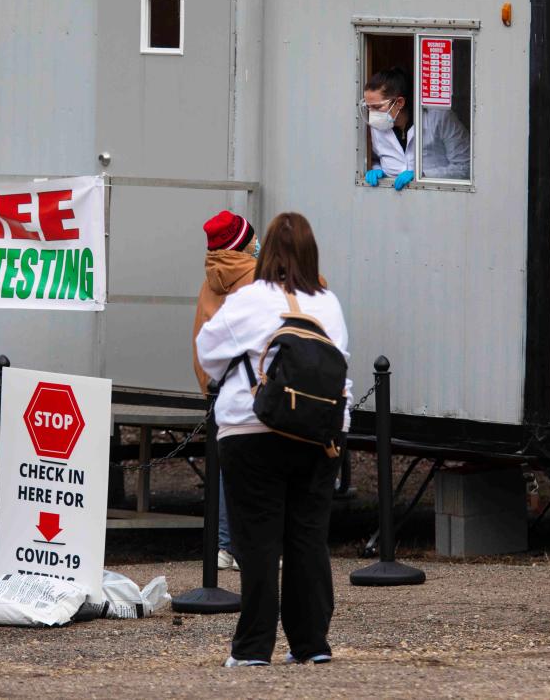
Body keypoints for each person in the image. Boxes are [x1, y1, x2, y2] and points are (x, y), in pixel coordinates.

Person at [195, 212, 352, 667]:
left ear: (265, 251)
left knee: (257, 542)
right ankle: (312, 645)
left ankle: (252, 649)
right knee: (308, 538)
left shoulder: (248, 299)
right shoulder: (329, 303)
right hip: (319, 436)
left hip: (252, 430)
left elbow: (208, 352)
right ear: (310, 252)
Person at [191, 210, 259, 572]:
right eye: (253, 237)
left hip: (216, 387)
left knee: (223, 466)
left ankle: (224, 545)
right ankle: (243, 545)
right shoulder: (255, 277)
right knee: (253, 468)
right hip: (250, 390)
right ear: (244, 243)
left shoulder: (210, 280)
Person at [363, 66, 470, 189]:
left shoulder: (438, 118)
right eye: (368, 107)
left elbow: (466, 166)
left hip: (436, 195)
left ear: (399, 103)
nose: (372, 113)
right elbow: (374, 158)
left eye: (377, 107)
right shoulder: (378, 124)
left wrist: (423, 175)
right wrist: (376, 169)